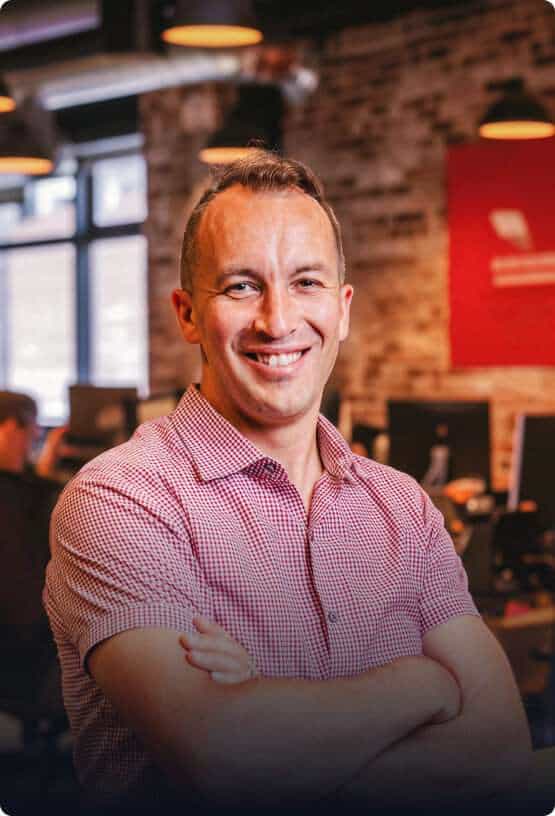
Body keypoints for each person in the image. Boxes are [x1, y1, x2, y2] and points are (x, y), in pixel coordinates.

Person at [44, 151, 532, 814]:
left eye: (306, 282)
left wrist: (274, 710)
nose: (278, 321)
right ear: (188, 313)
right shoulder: (121, 500)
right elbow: (228, 762)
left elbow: (501, 748)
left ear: (342, 306)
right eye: (241, 286)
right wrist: (423, 684)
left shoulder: (402, 506)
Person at [0, 391, 67, 732]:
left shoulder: (25, 492)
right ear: (11, 428)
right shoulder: (29, 498)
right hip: (24, 661)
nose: (35, 440)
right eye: (34, 433)